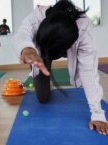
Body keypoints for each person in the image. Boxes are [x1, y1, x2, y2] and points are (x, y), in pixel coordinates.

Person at [13, 0, 108, 135]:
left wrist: (97, 114)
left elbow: (89, 70)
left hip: (62, 44)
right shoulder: (35, 18)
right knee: (43, 98)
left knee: (87, 71)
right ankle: (47, 81)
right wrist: (27, 49)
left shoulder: (84, 30)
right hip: (41, 53)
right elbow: (21, 35)